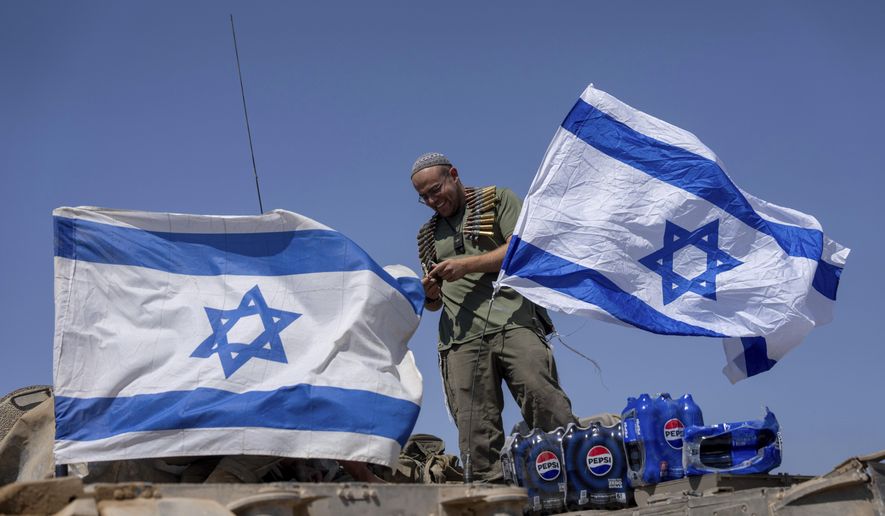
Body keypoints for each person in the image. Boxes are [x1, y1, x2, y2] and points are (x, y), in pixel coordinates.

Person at [410, 152, 576, 482]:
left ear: (454, 175)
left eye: (435, 189)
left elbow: (520, 250)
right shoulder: (428, 236)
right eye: (423, 196)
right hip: (460, 339)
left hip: (514, 320)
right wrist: (429, 295)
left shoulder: (497, 199)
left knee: (544, 401)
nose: (431, 200)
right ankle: (491, 496)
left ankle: (576, 473)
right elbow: (435, 304)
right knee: (476, 431)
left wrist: (467, 265)